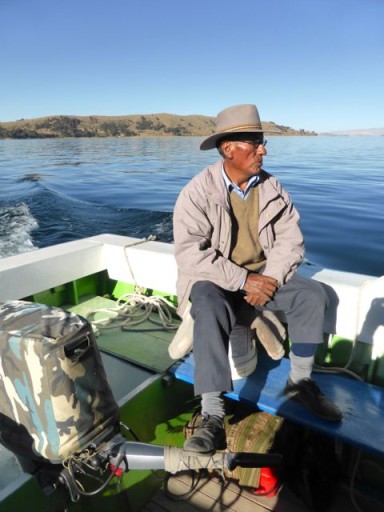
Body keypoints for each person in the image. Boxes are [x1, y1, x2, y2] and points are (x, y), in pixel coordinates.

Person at [172, 104, 343, 454]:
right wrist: (243, 279)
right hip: (218, 282)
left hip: (262, 279)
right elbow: (191, 253)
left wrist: (269, 278)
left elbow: (290, 241)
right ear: (228, 148)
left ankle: (301, 382)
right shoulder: (197, 191)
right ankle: (213, 416)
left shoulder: (272, 188)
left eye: (262, 142)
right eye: (254, 143)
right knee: (204, 299)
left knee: (311, 293)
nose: (263, 149)